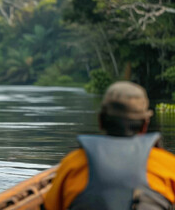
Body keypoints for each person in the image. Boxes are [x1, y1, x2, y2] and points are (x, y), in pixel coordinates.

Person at [44, 81, 175, 210]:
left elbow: (50, 207)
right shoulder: (168, 165)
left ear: (100, 120)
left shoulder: (72, 164)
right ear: (145, 125)